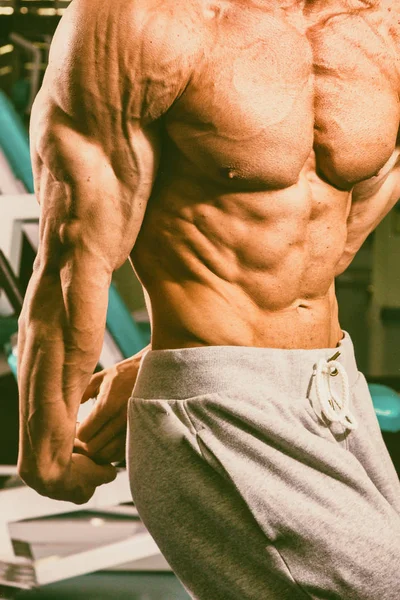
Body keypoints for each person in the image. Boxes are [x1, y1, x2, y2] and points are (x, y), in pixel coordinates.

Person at [18, 0, 400, 598]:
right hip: (216, 404)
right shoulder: (138, 18)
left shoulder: (381, 25)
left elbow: (342, 222)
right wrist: (46, 449)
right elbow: (74, 250)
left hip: (333, 385)